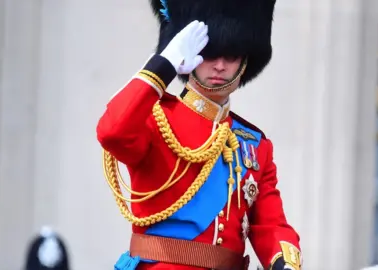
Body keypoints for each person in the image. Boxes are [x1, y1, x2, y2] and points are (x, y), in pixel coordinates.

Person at [97, 0, 302, 269]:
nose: (219, 65)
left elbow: (270, 225)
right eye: (208, 52)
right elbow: (112, 132)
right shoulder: (155, 119)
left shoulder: (254, 145)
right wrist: (164, 64)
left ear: (245, 59)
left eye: (231, 55)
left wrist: (284, 263)